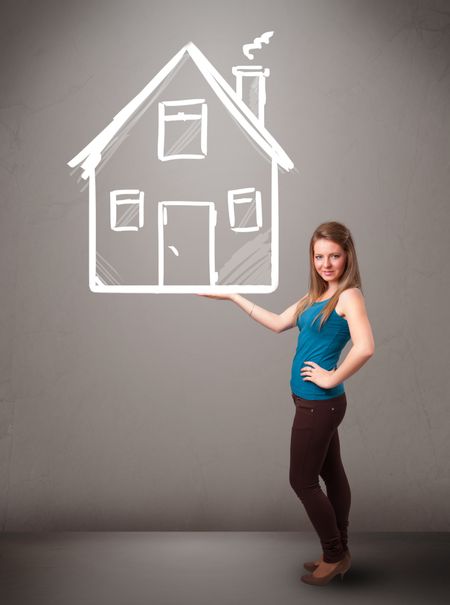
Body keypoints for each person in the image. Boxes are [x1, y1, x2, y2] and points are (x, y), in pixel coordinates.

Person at [197, 221, 375, 586]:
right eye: (319, 256)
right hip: (313, 403)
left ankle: (333, 554)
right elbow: (278, 322)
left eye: (334, 256)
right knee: (332, 475)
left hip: (319, 403)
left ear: (347, 256)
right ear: (313, 258)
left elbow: (366, 346)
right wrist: (234, 297)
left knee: (302, 481)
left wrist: (332, 376)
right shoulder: (317, 296)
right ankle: (340, 551)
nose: (326, 263)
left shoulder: (349, 296)